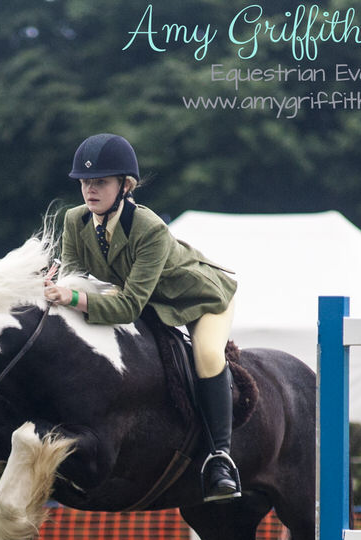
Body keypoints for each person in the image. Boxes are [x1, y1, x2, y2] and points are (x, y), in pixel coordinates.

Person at [42, 133, 242, 501]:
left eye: (100, 182)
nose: (90, 190)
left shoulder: (148, 227)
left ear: (126, 185)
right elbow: (74, 276)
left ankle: (220, 458)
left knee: (209, 356)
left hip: (199, 299)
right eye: (85, 182)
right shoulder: (75, 220)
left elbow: (129, 306)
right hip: (150, 301)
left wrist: (71, 296)